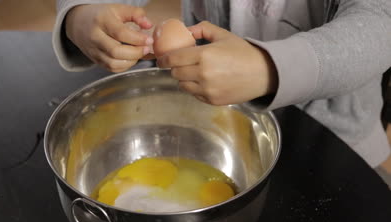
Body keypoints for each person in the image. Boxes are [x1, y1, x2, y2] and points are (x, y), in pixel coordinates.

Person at [52, 0, 391, 170]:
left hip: (335, 146)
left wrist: (269, 69)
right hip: (208, 126)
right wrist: (81, 14)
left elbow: (380, 21)